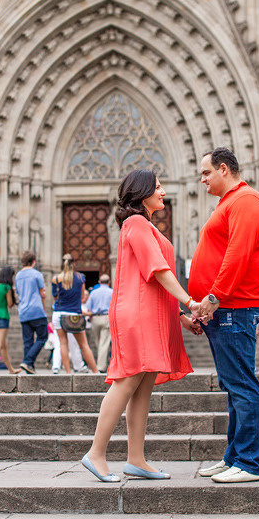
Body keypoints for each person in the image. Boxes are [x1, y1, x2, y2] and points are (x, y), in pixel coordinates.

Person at [82, 169, 199, 483]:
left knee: (142, 388)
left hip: (151, 313)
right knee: (127, 381)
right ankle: (96, 452)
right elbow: (158, 271)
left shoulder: (143, 226)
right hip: (137, 315)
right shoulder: (136, 223)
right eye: (158, 186)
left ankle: (136, 459)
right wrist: (190, 301)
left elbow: (154, 281)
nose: (163, 191)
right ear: (143, 192)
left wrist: (180, 318)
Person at [189, 147, 259, 484]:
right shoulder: (230, 203)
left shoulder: (246, 201)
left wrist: (213, 297)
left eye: (206, 173)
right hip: (225, 309)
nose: (203, 180)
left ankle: (251, 463)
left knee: (242, 385)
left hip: (234, 307)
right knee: (235, 386)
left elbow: (237, 255)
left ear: (224, 169)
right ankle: (234, 457)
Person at [52, 254, 98, 374]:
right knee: (84, 345)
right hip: (74, 314)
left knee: (63, 343)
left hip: (59, 313)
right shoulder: (80, 278)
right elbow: (82, 297)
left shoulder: (56, 279)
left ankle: (67, 373)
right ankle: (95, 371)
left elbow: (55, 297)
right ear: (73, 263)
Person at [15, 250, 48, 374]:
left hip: (23, 311)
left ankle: (30, 366)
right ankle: (28, 361)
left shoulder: (18, 276)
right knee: (42, 337)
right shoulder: (37, 274)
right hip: (36, 310)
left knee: (28, 341)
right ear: (33, 261)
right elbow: (42, 294)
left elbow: (18, 292)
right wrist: (44, 309)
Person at [0, 266, 22, 374]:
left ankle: (11, 370)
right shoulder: (6, 287)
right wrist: (12, 293)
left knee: (3, 345)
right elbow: (10, 304)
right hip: (2, 317)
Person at [86, 274, 113, 371]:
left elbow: (88, 307)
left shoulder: (94, 292)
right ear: (109, 282)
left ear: (99, 282)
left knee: (99, 343)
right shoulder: (112, 292)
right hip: (106, 318)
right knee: (103, 344)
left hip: (95, 319)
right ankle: (102, 366)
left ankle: (101, 366)